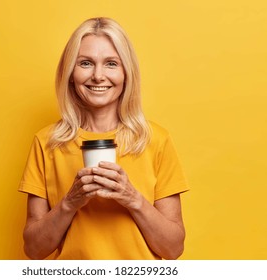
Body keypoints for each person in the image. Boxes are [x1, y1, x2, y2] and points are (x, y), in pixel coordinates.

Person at [19, 17, 189, 260]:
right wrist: (70, 202)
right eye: (86, 63)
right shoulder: (47, 142)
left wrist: (132, 197)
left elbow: (173, 249)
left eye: (111, 64)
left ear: (126, 73)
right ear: (70, 73)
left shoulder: (154, 140)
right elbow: (34, 250)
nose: (98, 76)